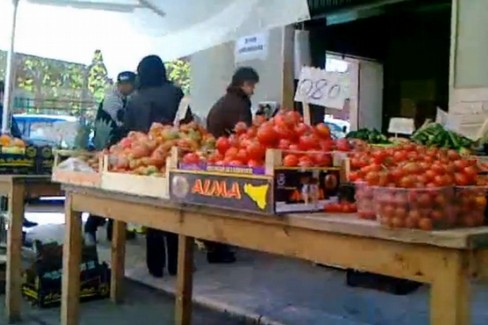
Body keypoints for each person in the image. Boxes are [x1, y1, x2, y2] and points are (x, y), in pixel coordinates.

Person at [125, 55, 191, 278]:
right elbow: (186, 121)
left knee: (152, 213)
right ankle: (176, 263)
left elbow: (128, 130)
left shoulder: (134, 98)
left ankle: (155, 266)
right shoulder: (175, 92)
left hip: (143, 158)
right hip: (172, 153)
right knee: (175, 211)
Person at [206, 67, 259, 264]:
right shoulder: (239, 105)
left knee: (217, 205)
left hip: (217, 157)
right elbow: (244, 137)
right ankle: (219, 247)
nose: (253, 90)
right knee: (226, 206)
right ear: (244, 84)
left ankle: (216, 246)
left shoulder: (225, 101)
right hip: (228, 159)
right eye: (251, 85)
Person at [84, 72, 136, 245]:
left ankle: (114, 230)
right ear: (122, 85)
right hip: (108, 150)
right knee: (106, 192)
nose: (132, 87)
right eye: (129, 84)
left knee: (117, 191)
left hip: (117, 150)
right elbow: (121, 122)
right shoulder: (112, 100)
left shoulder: (125, 98)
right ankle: (90, 228)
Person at [0, 81, 37, 228]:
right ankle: (15, 225)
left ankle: (17, 221)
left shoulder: (5, 112)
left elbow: (15, 136)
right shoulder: (3, 112)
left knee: (15, 192)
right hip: (6, 155)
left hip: (10, 153)